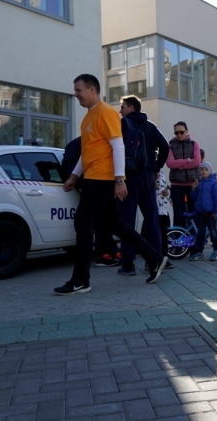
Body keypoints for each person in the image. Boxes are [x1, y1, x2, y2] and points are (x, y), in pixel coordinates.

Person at [54, 74, 167, 295]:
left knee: (83, 223)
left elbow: (118, 147)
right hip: (96, 177)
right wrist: (74, 176)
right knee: (117, 225)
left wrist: (119, 179)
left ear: (92, 90)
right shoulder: (88, 118)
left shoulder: (105, 112)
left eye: (79, 90)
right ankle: (155, 259)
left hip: (102, 178)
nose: (75, 94)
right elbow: (87, 153)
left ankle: (80, 280)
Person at [116, 95, 170, 275]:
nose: (120, 110)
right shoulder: (151, 126)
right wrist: (156, 167)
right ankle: (154, 261)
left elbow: (115, 149)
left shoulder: (123, 124)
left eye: (122, 107)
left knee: (127, 221)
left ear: (131, 107)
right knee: (152, 221)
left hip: (129, 176)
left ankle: (128, 264)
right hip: (148, 176)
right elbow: (165, 147)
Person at [61, 137, 121, 267]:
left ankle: (110, 251)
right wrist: (81, 184)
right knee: (98, 221)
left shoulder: (97, 143)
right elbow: (70, 167)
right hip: (91, 187)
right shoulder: (78, 145)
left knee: (108, 220)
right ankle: (103, 254)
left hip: (101, 186)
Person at [166, 121, 201, 227]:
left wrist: (179, 165)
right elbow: (170, 163)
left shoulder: (194, 144)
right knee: (178, 213)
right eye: (176, 133)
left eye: (181, 132)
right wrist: (188, 160)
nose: (179, 135)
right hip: (177, 185)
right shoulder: (171, 145)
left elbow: (197, 162)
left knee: (194, 211)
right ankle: (178, 238)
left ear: (186, 131)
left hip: (192, 184)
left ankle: (194, 238)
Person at [188, 162, 217, 261]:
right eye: (202, 169)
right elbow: (193, 198)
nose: (203, 171)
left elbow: (216, 198)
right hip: (200, 213)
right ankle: (199, 252)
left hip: (211, 213)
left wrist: (216, 211)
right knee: (200, 233)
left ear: (209, 171)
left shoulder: (213, 182)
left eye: (206, 169)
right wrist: (193, 189)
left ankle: (215, 251)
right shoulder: (199, 183)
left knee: (213, 232)